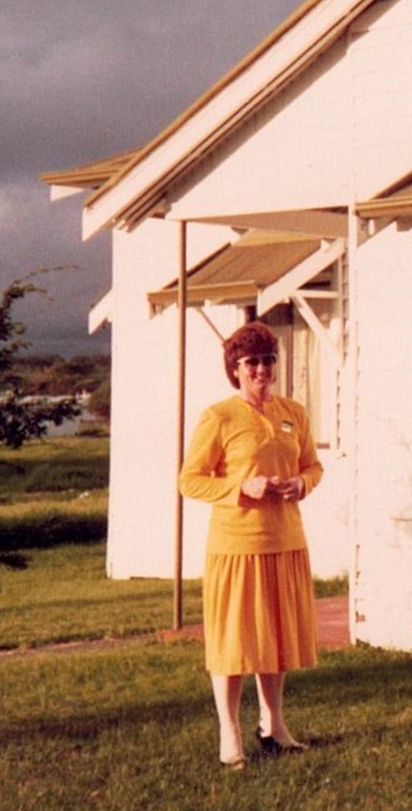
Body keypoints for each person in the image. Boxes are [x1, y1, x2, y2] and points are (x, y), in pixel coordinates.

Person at [179, 320, 323, 769]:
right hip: (236, 547)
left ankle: (274, 725)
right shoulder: (218, 416)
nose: (262, 369)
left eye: (268, 360)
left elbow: (313, 466)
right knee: (234, 643)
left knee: (275, 640)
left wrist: (301, 483)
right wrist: (244, 487)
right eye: (252, 362)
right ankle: (229, 733)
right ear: (235, 370)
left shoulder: (293, 412)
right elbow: (190, 480)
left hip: (285, 539)